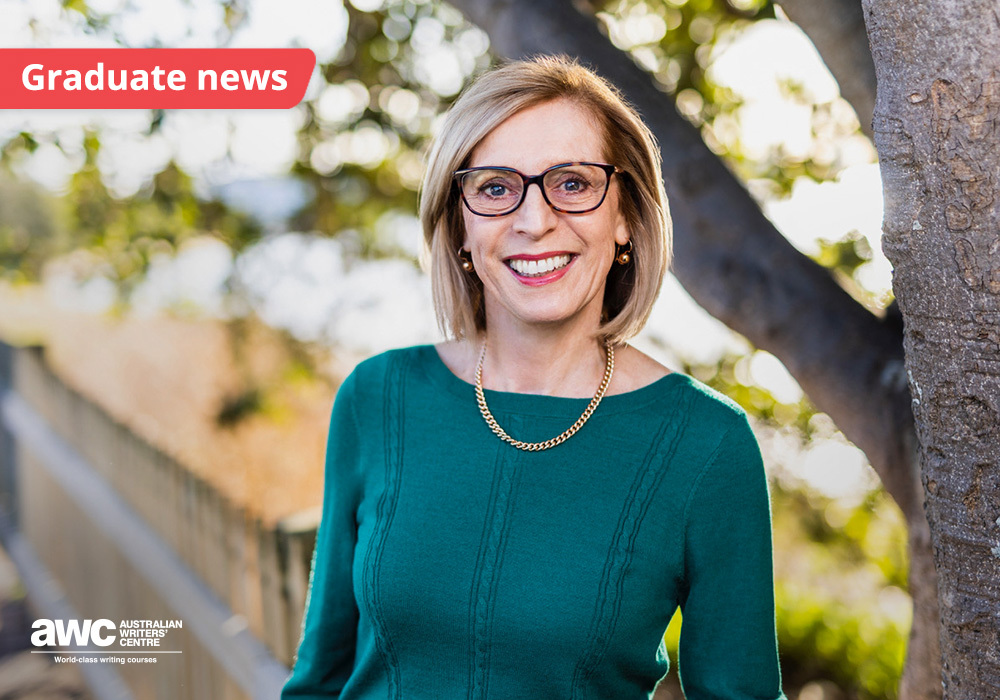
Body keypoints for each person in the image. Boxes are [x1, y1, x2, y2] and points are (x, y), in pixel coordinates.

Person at [281, 55, 784, 700]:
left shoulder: (706, 444)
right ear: (460, 225)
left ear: (626, 216)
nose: (534, 219)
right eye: (495, 187)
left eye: (572, 182)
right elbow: (320, 677)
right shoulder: (377, 398)